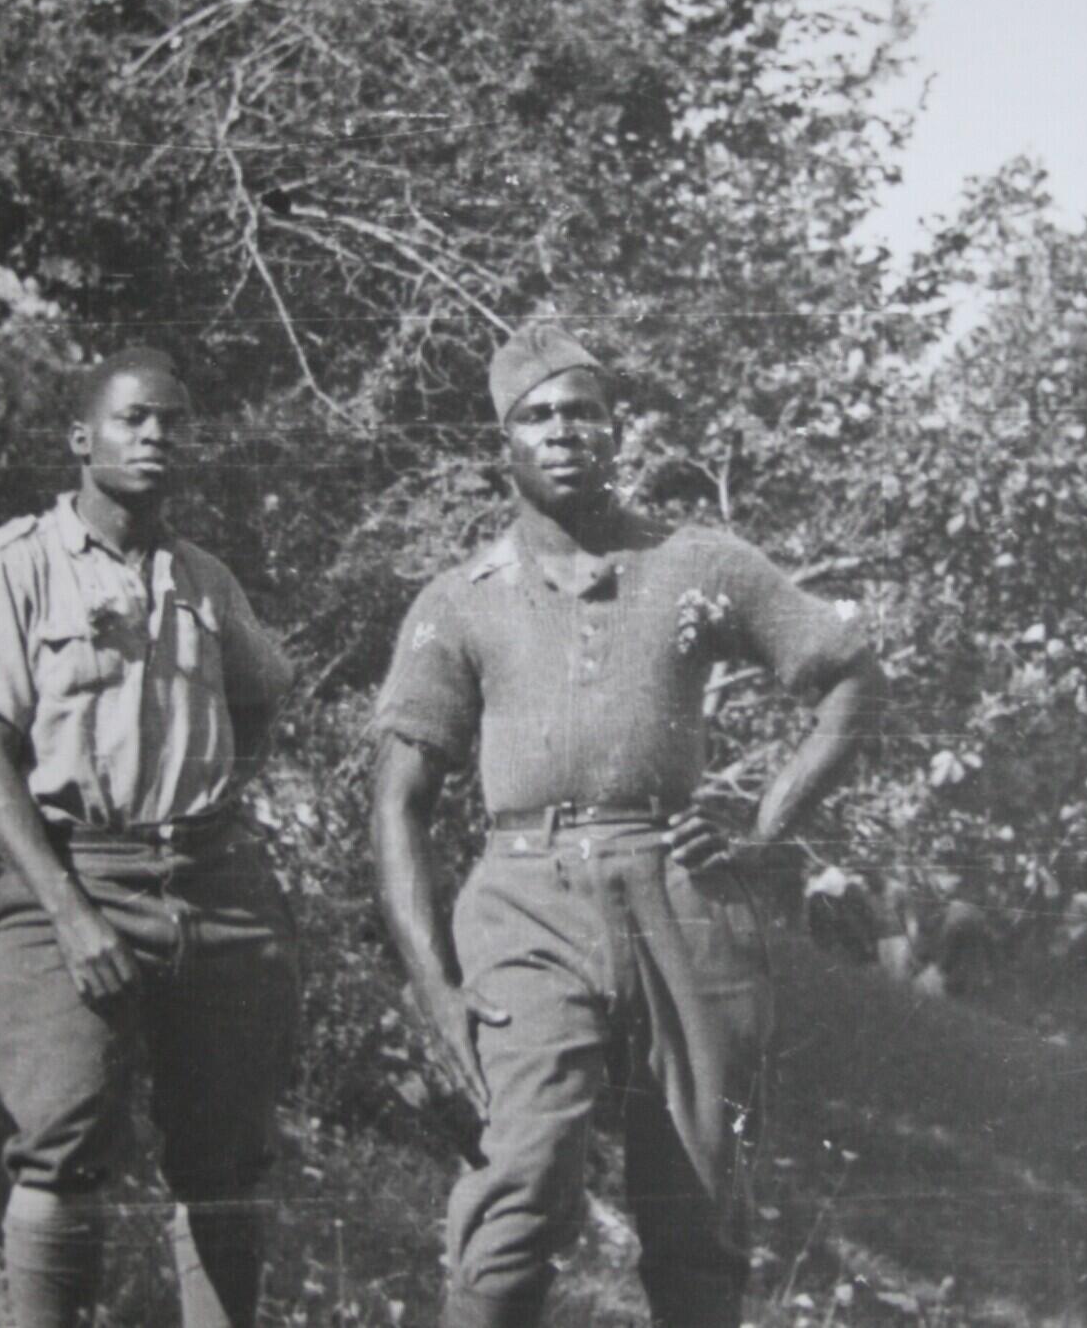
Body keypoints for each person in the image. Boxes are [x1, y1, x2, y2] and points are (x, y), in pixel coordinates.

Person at [371, 323, 884, 1328]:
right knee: (515, 1189)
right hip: (524, 899)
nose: (564, 433)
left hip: (683, 897)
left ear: (617, 433)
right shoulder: (458, 602)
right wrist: (432, 987)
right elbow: (398, 801)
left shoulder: (699, 565)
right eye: (538, 416)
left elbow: (852, 679)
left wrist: (765, 827)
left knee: (698, 1207)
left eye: (584, 412)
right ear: (504, 446)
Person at [0, 346, 297, 1328]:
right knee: (62, 1141)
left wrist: (220, 809)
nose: (156, 436)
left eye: (172, 421)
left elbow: (260, 699)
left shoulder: (205, 579)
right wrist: (69, 910)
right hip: (70, 874)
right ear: (80, 438)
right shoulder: (19, 566)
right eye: (133, 419)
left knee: (224, 1156)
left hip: (212, 884)